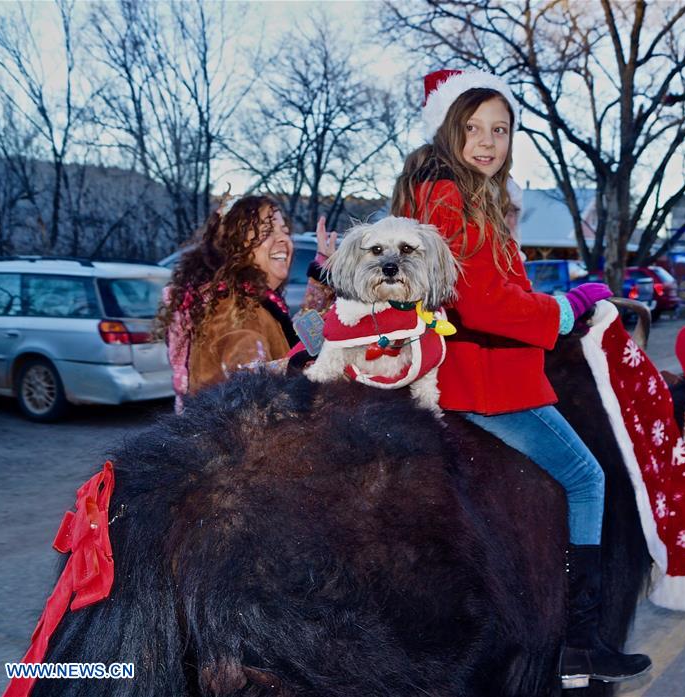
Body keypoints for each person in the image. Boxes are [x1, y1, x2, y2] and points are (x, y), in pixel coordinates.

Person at [390, 68, 651, 686]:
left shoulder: (454, 192)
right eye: (474, 128)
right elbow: (480, 303)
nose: (487, 141)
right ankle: (582, 638)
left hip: (484, 368)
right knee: (587, 477)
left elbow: (494, 287)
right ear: (450, 131)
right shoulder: (449, 196)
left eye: (500, 130)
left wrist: (559, 302)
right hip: (484, 381)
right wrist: (566, 309)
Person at [159, 194, 335, 408]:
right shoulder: (232, 312)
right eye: (266, 232)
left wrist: (321, 272)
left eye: (285, 231)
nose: (283, 239)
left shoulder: (253, 302)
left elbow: (296, 339)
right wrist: (299, 366)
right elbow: (244, 384)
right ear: (235, 247)